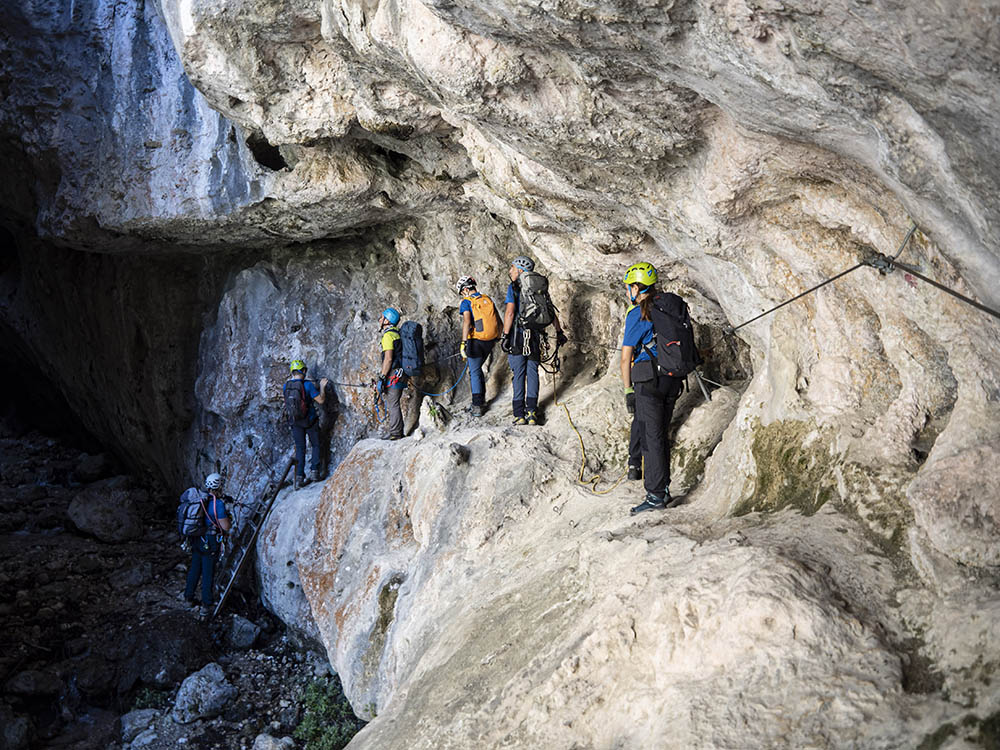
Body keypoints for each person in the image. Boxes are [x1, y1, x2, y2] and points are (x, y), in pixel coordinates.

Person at [620, 261, 685, 514]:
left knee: (651, 437)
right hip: (672, 378)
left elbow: (626, 357)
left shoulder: (639, 313)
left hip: (648, 380)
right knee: (661, 435)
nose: (628, 291)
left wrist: (628, 390)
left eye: (629, 287)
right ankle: (663, 488)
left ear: (637, 288)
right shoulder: (668, 307)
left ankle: (656, 495)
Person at [500, 256, 566, 425]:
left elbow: (509, 312)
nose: (510, 271)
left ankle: (519, 414)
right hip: (536, 336)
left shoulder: (514, 287)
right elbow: (549, 310)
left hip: (518, 336)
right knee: (532, 372)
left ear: (520, 270)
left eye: (512, 268)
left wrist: (505, 335)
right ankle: (532, 413)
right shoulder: (540, 287)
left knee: (519, 374)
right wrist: (559, 332)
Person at [183, 473, 232, 617]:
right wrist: (228, 517)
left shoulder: (200, 500)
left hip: (197, 539)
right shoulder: (219, 504)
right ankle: (206, 605)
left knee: (195, 569)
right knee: (208, 572)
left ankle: (188, 598)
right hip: (210, 542)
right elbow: (226, 527)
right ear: (219, 486)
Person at [457, 275, 500, 417]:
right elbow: (497, 319)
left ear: (464, 290)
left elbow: (467, 322)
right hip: (490, 341)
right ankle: (480, 400)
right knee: (477, 370)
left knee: (474, 372)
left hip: (475, 341)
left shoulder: (466, 301)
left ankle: (477, 406)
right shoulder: (486, 298)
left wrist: (464, 343)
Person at [283, 360, 328, 488]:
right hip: (309, 420)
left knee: (300, 448)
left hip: (295, 421)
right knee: (315, 445)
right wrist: (322, 387)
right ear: (303, 371)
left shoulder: (286, 386)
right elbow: (321, 400)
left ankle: (299, 477)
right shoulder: (308, 385)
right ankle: (314, 472)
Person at [378, 307, 408, 439]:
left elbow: (388, 358)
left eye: (382, 317)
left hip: (394, 374)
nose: (379, 319)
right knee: (393, 402)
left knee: (393, 403)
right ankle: (397, 431)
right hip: (402, 372)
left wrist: (382, 377)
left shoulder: (388, 336)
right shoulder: (397, 333)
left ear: (387, 320)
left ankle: (396, 433)